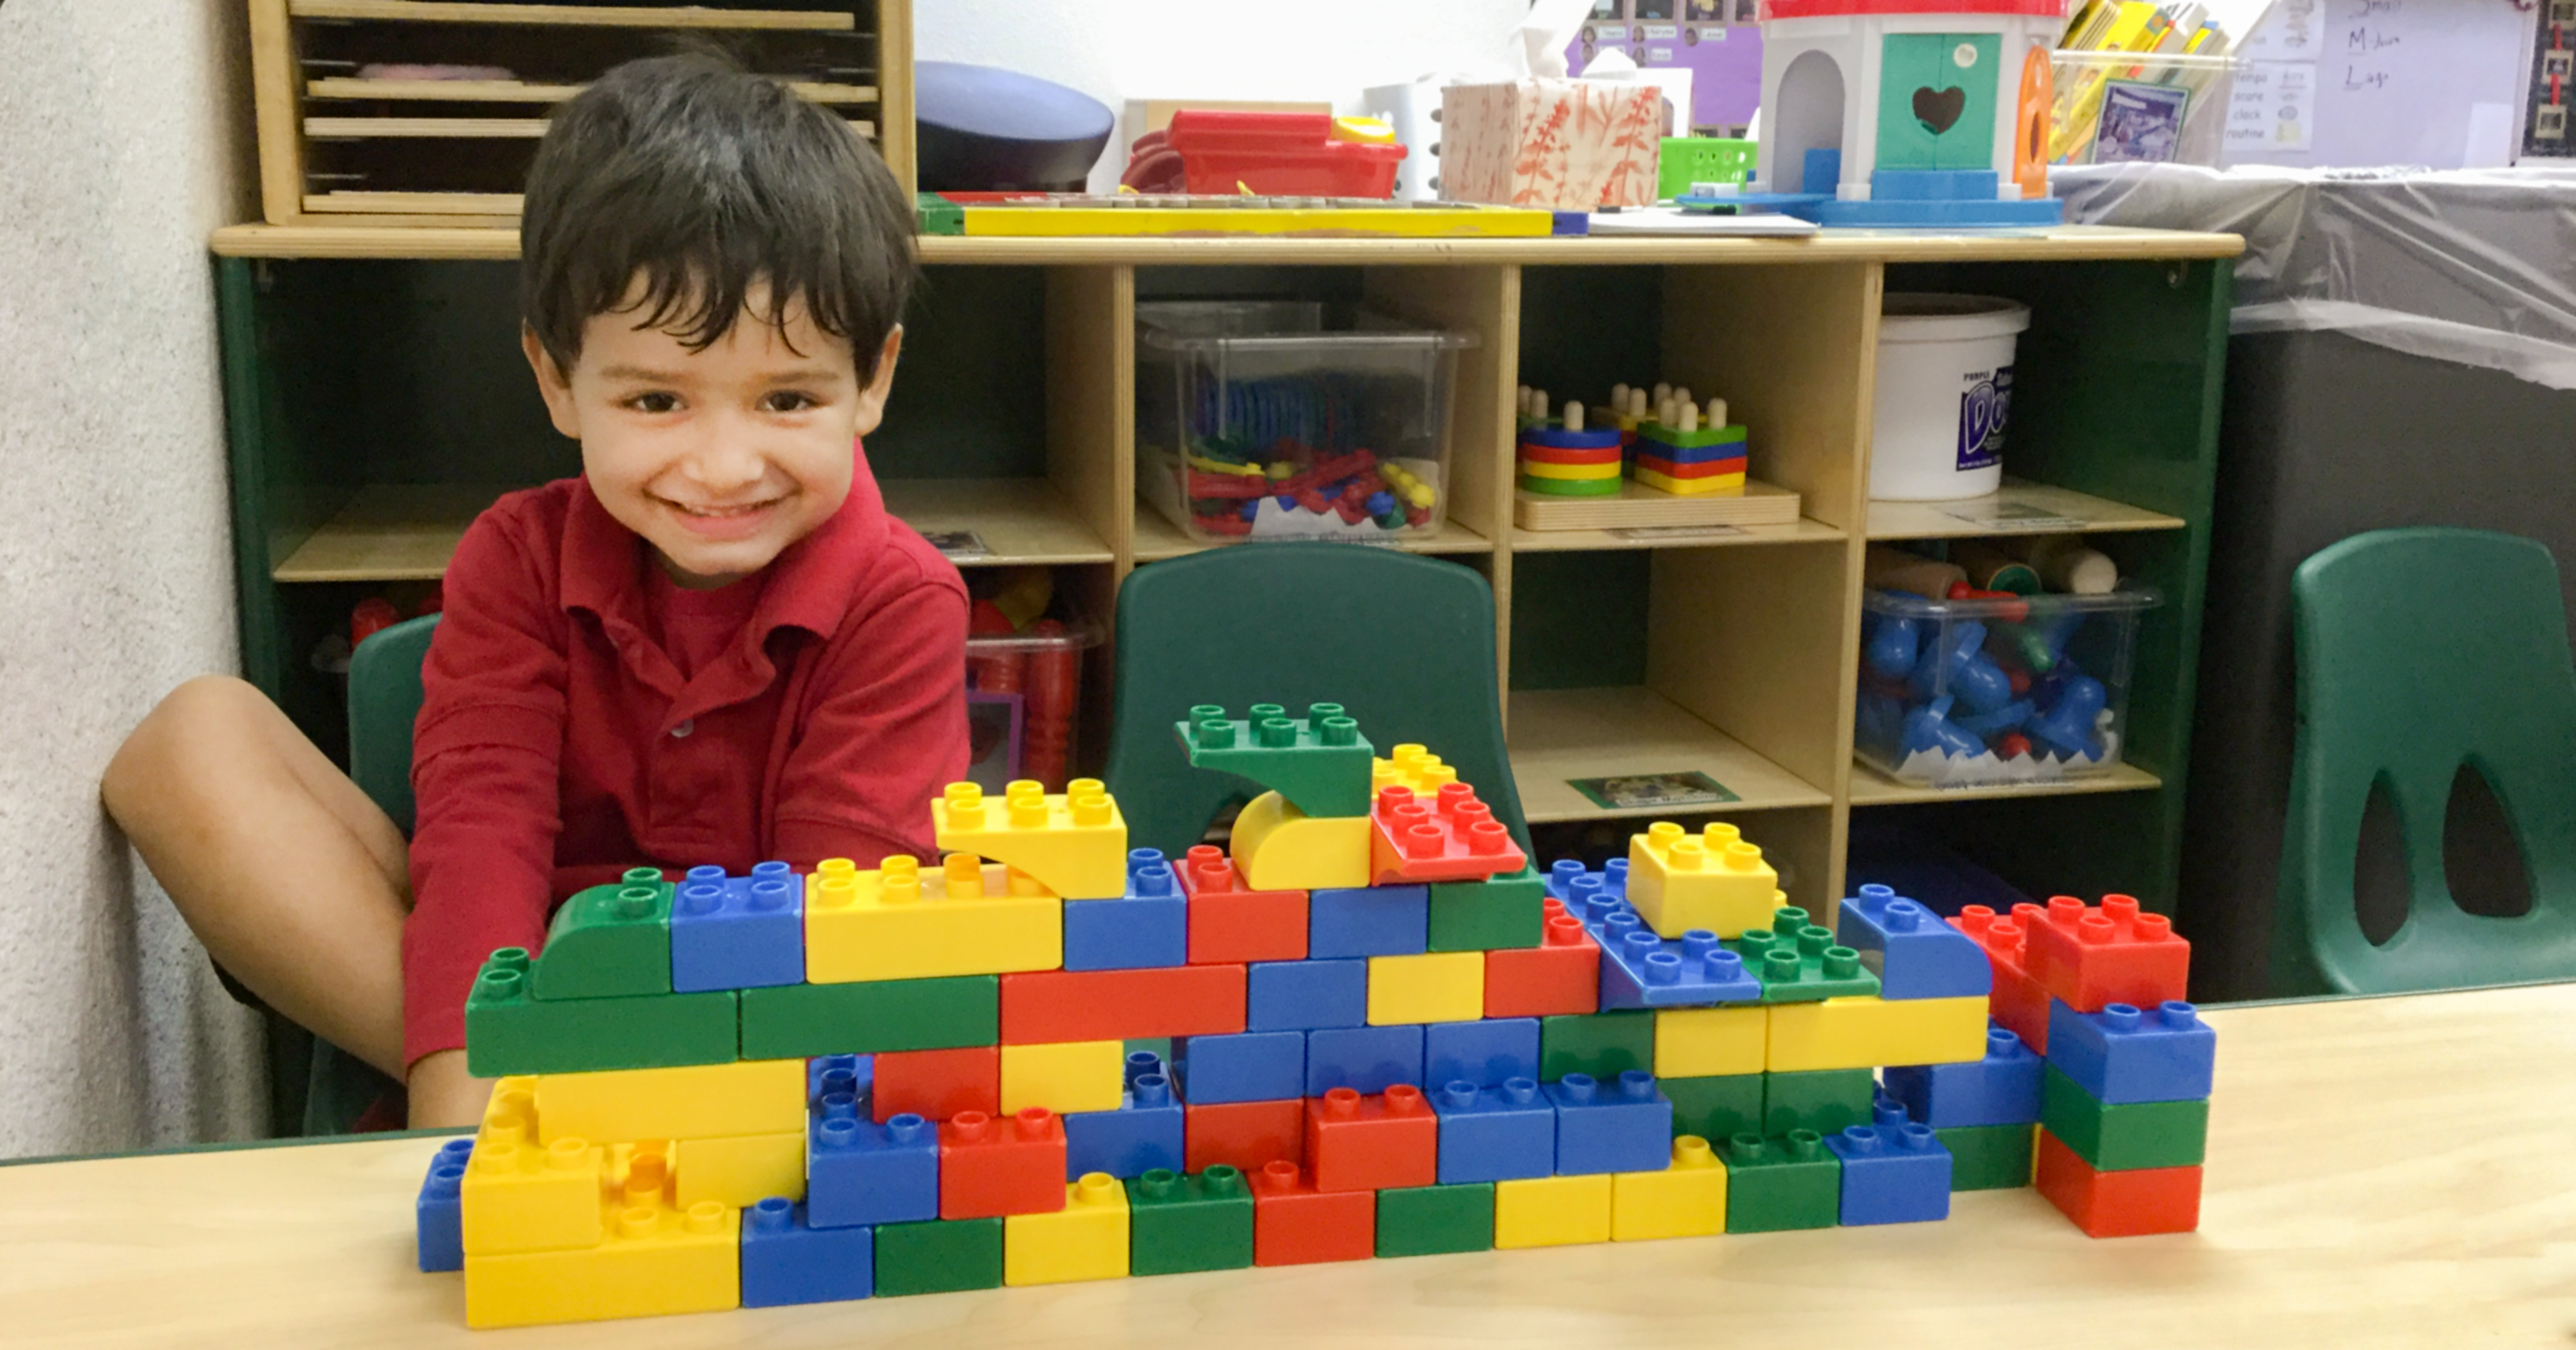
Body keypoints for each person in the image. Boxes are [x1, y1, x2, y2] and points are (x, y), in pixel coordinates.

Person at [103, 52, 968, 1128]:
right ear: (558, 380)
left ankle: (576, 1102)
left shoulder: (900, 596)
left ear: (872, 381)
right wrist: (463, 1103)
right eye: (657, 399)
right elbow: (479, 833)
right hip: (530, 990)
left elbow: (832, 923)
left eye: (787, 397)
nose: (723, 463)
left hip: (761, 1045)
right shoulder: (516, 555)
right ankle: (521, 1098)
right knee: (189, 741)